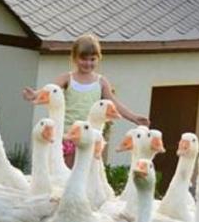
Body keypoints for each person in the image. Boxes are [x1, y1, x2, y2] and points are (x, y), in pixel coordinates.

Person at [25, 33, 148, 165]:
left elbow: (114, 104)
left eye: (92, 59)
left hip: (90, 136)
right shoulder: (67, 78)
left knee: (87, 170)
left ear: (98, 58)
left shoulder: (101, 82)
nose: (88, 63)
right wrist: (35, 95)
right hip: (68, 135)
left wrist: (134, 118)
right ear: (74, 58)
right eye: (83, 59)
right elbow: (50, 90)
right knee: (66, 170)